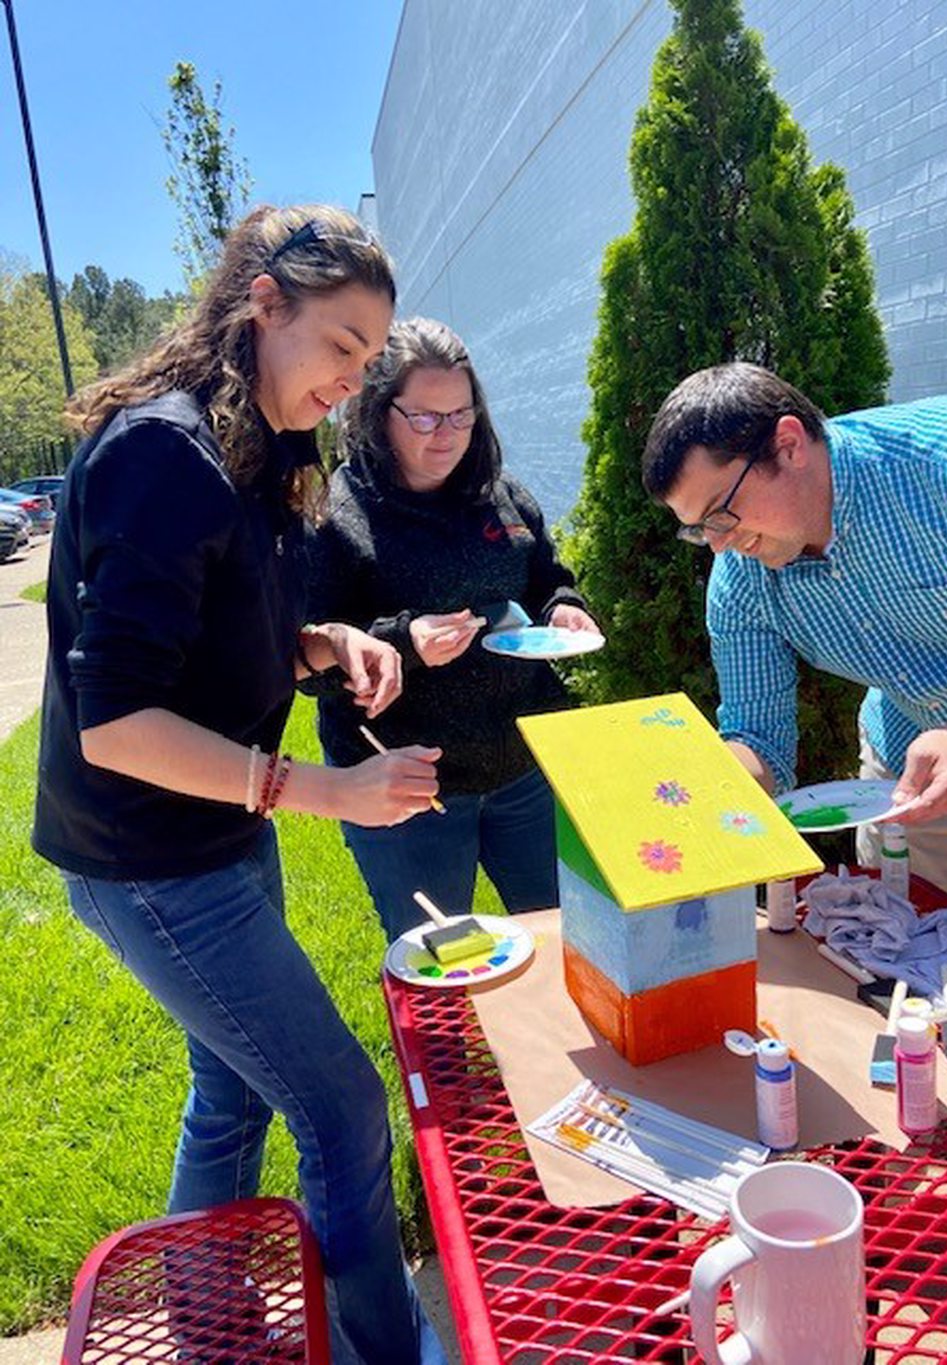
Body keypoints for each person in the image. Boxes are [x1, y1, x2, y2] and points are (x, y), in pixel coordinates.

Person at [32, 205, 448, 1365]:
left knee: (231, 1096)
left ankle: (209, 1329)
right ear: (264, 304)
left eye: (370, 359)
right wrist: (322, 790)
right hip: (152, 861)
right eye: (343, 348)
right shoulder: (164, 451)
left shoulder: (261, 449)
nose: (353, 382)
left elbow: (224, 629)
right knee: (345, 1107)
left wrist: (321, 644)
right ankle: (386, 1351)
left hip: (215, 840)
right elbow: (115, 719)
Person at [641, 361, 947, 901]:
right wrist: (703, 791)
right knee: (903, 955)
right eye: (699, 530)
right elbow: (757, 740)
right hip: (906, 772)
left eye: (720, 513)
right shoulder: (741, 581)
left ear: (790, 444)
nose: (720, 545)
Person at [305, 317, 600, 941]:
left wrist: (562, 607)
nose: (447, 436)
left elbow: (547, 576)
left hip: (526, 766)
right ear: (379, 412)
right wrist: (405, 644)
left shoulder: (501, 496)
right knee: (442, 957)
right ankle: (453, 1044)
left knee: (564, 937)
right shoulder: (338, 516)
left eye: (461, 416)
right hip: (410, 788)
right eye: (426, 418)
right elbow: (308, 667)